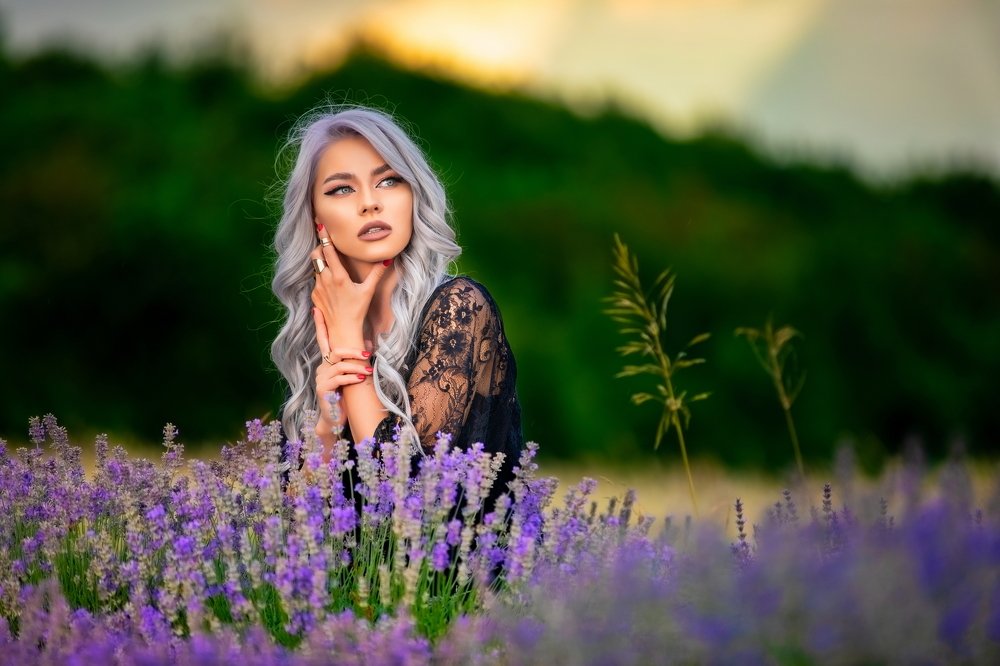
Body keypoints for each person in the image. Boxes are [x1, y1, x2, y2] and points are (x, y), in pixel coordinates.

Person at [269, 105, 523, 504]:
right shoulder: (314, 330)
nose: (370, 203)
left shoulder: (459, 308)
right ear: (314, 216)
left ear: (413, 193)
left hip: (456, 564)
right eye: (342, 188)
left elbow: (406, 495)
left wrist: (349, 343)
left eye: (388, 181)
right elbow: (290, 531)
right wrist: (326, 431)